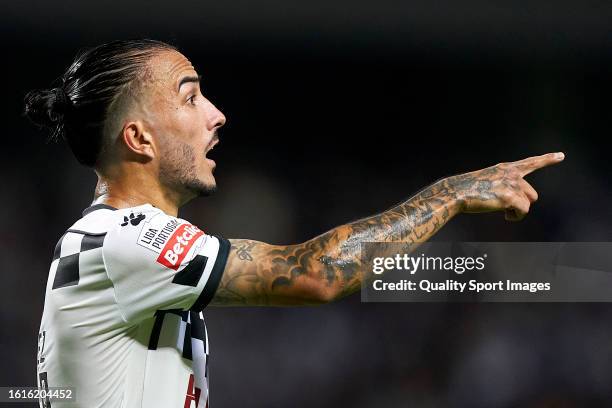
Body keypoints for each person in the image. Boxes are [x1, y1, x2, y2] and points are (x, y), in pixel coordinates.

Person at [24, 39, 564, 408]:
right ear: (139, 139)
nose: (216, 114)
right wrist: (452, 195)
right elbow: (315, 274)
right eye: (190, 97)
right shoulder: (124, 239)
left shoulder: (104, 241)